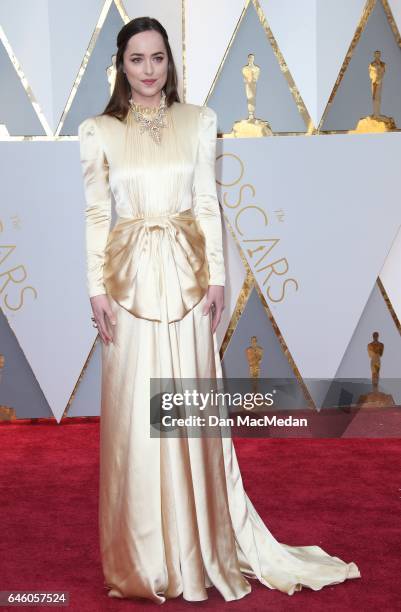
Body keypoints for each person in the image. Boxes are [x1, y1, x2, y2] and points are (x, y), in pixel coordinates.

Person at [78, 16, 361, 605]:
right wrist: (96, 289)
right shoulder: (97, 131)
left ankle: (197, 549)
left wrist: (218, 279)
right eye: (137, 59)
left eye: (158, 58)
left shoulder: (199, 122)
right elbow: (97, 216)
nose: (149, 70)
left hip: (186, 283)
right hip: (126, 289)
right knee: (137, 418)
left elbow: (209, 205)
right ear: (121, 65)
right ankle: (144, 558)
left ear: (170, 63)